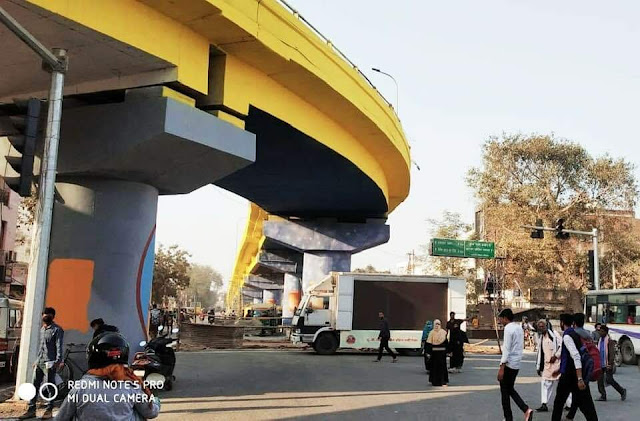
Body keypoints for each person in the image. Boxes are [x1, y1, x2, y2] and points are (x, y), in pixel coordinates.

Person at [56, 332, 160, 420]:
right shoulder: (131, 386)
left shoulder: (80, 388)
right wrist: (155, 401)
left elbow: (61, 417)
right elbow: (150, 413)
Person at [550, 313, 598, 421]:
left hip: (570, 376)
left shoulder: (567, 336)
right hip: (574, 374)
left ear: (562, 323)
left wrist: (580, 378)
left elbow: (576, 356)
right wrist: (559, 370)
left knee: (558, 403)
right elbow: (568, 357)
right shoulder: (575, 334)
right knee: (586, 405)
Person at [19, 307, 64, 420]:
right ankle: (31, 410)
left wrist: (58, 361)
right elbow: (41, 347)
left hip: (50, 362)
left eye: (48, 314)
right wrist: (36, 361)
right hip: (40, 362)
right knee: (34, 385)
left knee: (49, 386)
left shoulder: (57, 330)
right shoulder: (42, 329)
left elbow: (59, 346)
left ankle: (49, 409)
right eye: (44, 314)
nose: (45, 315)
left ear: (53, 316)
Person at [497, 308, 534, 421]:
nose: (500, 321)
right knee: (509, 389)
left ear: (505, 318)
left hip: (508, 364)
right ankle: (525, 410)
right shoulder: (518, 327)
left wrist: (501, 367)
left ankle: (510, 417)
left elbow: (506, 348)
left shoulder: (508, 329)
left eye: (500, 319)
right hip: (516, 363)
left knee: (505, 393)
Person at [535, 319, 570, 412]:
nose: (541, 328)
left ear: (546, 326)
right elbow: (540, 353)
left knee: (563, 384)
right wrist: (538, 367)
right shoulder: (541, 337)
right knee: (545, 383)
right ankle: (544, 403)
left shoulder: (554, 335)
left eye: (543, 326)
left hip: (557, 363)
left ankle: (569, 404)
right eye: (540, 327)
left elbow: (562, 345)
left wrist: (556, 355)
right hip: (547, 365)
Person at [596, 325, 626, 401]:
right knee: (599, 380)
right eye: (600, 331)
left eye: (602, 331)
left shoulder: (609, 341)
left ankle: (622, 391)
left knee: (609, 380)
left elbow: (612, 354)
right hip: (600, 363)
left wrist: (610, 364)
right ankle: (603, 395)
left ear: (606, 332)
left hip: (607, 364)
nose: (600, 332)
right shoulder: (599, 340)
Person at [426, 319, 448, 386]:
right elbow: (429, 344)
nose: (437, 325)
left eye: (438, 324)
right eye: (436, 324)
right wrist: (428, 353)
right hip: (434, 353)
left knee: (442, 367)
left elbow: (446, 343)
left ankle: (443, 381)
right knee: (434, 367)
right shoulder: (431, 333)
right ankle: (434, 382)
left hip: (442, 353)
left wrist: (448, 351)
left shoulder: (443, 332)